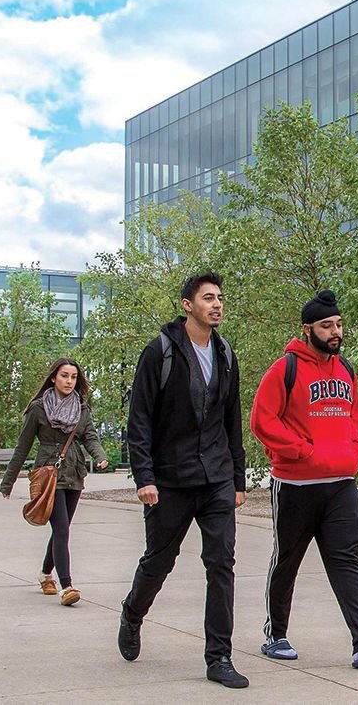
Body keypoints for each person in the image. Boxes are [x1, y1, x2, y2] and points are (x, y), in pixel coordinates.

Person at [250, 290, 358, 669]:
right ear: (308, 329)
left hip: (340, 485)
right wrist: (301, 451)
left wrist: (355, 449)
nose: (335, 332)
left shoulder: (346, 370)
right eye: (326, 326)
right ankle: (276, 634)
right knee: (287, 560)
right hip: (296, 487)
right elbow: (262, 422)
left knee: (347, 559)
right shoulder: (283, 369)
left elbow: (355, 417)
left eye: (338, 325)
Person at [118, 272, 249, 689]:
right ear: (187, 304)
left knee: (221, 563)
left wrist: (238, 478)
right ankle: (133, 613)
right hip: (170, 480)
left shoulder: (226, 354)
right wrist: (145, 477)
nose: (217, 305)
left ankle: (219, 657)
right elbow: (138, 420)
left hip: (215, 480)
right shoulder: (160, 352)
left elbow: (232, 422)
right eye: (208, 298)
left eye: (221, 298)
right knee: (159, 560)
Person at [0, 359, 109, 606]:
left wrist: (100, 456)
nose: (69, 381)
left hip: (74, 472)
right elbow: (23, 446)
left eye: (73, 377)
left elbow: (89, 436)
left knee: (63, 528)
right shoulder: (38, 408)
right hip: (48, 473)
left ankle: (45, 574)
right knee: (61, 528)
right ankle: (67, 586)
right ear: (53, 378)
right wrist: (8, 482)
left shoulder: (82, 408)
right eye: (64, 376)